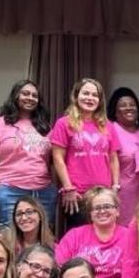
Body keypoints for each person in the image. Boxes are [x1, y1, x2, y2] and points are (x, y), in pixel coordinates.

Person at [0, 79, 57, 229]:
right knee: (8, 239)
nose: (30, 98)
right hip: (9, 191)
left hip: (44, 192)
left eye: (35, 96)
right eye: (25, 94)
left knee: (41, 240)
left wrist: (52, 187)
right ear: (15, 96)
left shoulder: (45, 127)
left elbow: (53, 162)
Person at [50, 78, 119, 230]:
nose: (90, 98)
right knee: (79, 239)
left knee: (103, 235)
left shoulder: (108, 126)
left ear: (100, 100)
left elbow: (113, 158)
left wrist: (115, 187)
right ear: (76, 96)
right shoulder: (64, 123)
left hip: (103, 194)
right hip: (77, 195)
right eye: (85, 93)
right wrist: (68, 188)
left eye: (95, 95)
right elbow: (58, 158)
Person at [55, 186, 132, 278]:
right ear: (90, 213)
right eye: (96, 208)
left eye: (107, 206)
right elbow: (59, 266)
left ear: (117, 211)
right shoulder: (75, 235)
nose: (102, 211)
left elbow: (131, 276)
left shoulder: (129, 237)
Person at [108, 86, 139, 219]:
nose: (129, 108)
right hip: (121, 194)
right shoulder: (111, 130)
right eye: (123, 105)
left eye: (132, 104)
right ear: (115, 110)